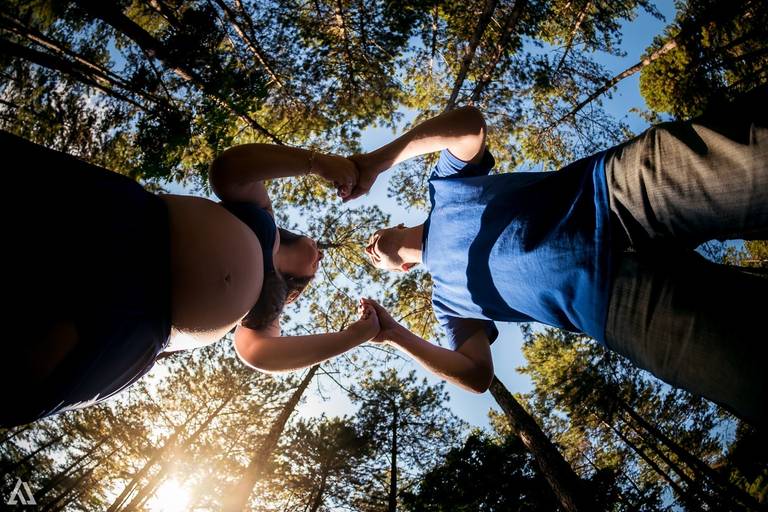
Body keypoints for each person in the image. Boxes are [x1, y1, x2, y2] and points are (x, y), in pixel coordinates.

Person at [351, 90, 767, 427]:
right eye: (375, 263)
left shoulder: (442, 187)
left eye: (372, 239)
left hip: (619, 194)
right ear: (402, 269)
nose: (372, 251)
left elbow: (469, 126)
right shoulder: (447, 303)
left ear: (396, 223)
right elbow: (477, 375)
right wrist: (393, 336)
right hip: (617, 309)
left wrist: (376, 162)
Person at [1, 133, 378, 427]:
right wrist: (315, 163)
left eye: (317, 270)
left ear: (299, 285)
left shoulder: (270, 304)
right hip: (122, 225)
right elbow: (229, 169)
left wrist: (352, 338)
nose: (322, 255)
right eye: (321, 249)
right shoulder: (262, 215)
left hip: (135, 326)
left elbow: (259, 353)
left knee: (19, 374)